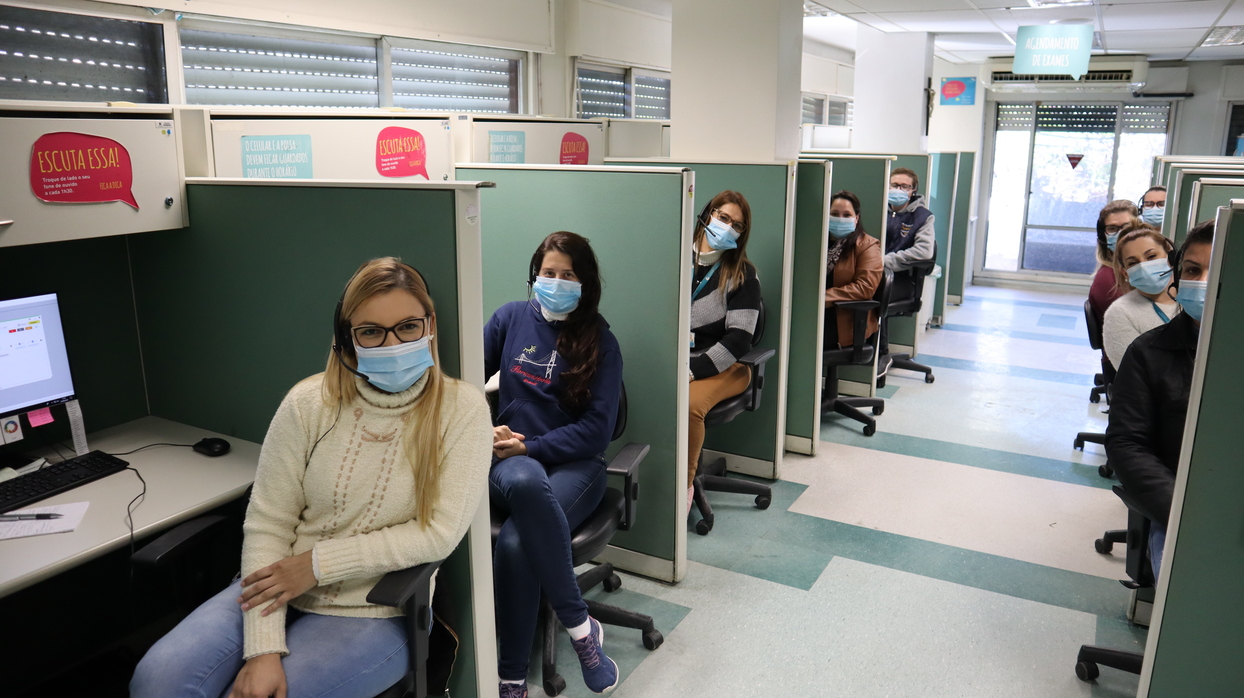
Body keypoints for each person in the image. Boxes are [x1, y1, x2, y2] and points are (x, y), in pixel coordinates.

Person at [131, 257, 493, 698]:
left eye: (408, 326)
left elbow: (437, 534)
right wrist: (262, 649)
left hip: (374, 610)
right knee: (155, 682)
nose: (392, 342)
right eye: (371, 332)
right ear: (347, 340)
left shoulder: (463, 410)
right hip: (276, 585)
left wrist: (316, 567)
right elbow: (269, 521)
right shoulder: (308, 404)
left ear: (430, 325)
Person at [485, 232, 623, 698]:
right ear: (534, 275)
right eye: (549, 273)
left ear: (585, 283)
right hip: (511, 459)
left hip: (576, 467)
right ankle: (582, 628)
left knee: (517, 540)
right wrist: (490, 434)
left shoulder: (602, 343)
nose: (557, 282)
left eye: (568, 275)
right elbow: (459, 384)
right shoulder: (508, 319)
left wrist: (533, 447)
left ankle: (511, 680)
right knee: (524, 489)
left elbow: (597, 432)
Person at [1107, 219, 1214, 581]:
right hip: (1180, 505)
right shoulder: (1147, 348)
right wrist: (1185, 513)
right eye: (1193, 271)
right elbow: (1127, 441)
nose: (1202, 282)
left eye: (1216, 271)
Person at [687, 190, 762, 510]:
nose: (728, 227)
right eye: (724, 218)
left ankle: (683, 487)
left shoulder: (743, 275)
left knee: (688, 406)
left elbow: (739, 340)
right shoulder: (673, 258)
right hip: (679, 361)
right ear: (707, 215)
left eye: (738, 225)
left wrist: (693, 370)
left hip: (729, 365)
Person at [1102, 222, 1178, 368]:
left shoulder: (1195, 301)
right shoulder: (1120, 313)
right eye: (1133, 263)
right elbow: (1133, 373)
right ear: (1125, 273)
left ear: (1171, 257)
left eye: (1151, 257)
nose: (1143, 266)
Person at [879, 167, 936, 362]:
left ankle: (880, 354)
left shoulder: (922, 217)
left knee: (875, 292)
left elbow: (924, 251)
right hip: (873, 273)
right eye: (895, 185)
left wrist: (885, 261)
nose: (899, 189)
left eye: (905, 186)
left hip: (902, 280)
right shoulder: (876, 208)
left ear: (913, 190)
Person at [824, 190, 883, 350]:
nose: (840, 219)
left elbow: (865, 288)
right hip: (812, 313)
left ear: (856, 218)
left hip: (842, 323)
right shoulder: (817, 242)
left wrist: (824, 298)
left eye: (847, 215)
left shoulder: (867, 245)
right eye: (835, 214)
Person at [1088, 200, 1141, 331]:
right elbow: (1136, 322)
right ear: (1103, 236)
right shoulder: (1107, 279)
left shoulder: (1137, 270)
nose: (1121, 234)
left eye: (1126, 227)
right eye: (1112, 228)